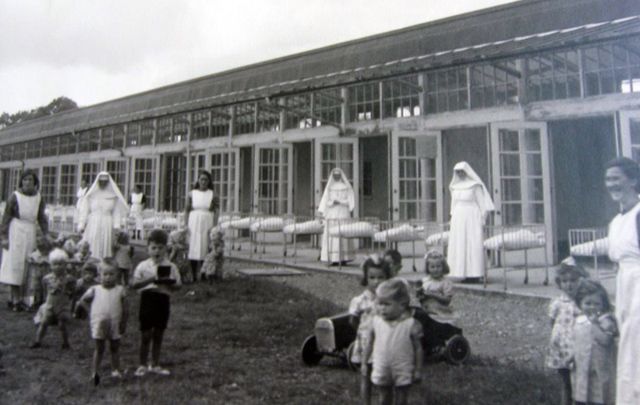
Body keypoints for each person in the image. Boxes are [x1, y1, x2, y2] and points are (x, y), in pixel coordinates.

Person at [604, 157, 640, 405]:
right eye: (608, 179)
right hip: (625, 286)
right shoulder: (616, 221)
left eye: (616, 178)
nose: (611, 184)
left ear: (634, 180)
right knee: (627, 349)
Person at [361, 279, 423, 405]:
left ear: (402, 305)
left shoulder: (409, 324)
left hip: (402, 367)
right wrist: (364, 362)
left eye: (387, 304)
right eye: (379, 304)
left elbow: (418, 349)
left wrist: (418, 369)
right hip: (382, 365)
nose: (382, 308)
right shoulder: (376, 322)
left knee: (401, 397)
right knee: (384, 396)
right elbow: (369, 343)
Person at [131, 229, 182, 377]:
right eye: (153, 248)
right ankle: (142, 364)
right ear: (148, 248)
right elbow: (134, 284)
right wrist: (151, 279)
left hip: (162, 300)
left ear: (166, 249)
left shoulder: (171, 266)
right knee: (146, 334)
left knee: (159, 333)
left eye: (160, 248)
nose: (157, 251)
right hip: (147, 299)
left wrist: (169, 283)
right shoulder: (143, 265)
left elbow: (179, 285)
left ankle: (155, 363)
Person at [0, 169, 49, 311]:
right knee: (15, 265)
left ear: (35, 183)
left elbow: (42, 218)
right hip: (16, 230)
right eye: (25, 180)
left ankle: (23, 299)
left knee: (28, 265)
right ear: (21, 181)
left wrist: (46, 234)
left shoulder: (39, 197)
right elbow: (6, 218)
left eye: (30, 180)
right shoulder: (14, 196)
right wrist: (3, 237)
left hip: (30, 231)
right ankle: (14, 298)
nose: (27, 182)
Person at [75, 260, 128, 386]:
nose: (108, 278)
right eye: (105, 274)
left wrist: (124, 322)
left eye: (111, 274)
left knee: (115, 346)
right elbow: (81, 301)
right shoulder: (95, 289)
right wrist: (90, 312)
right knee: (99, 348)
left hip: (115, 322)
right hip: (99, 323)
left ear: (117, 275)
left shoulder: (120, 290)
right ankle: (95, 372)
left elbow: (126, 308)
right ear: (99, 275)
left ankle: (115, 369)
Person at [349, 254, 392, 405]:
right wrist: (362, 333)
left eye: (381, 277)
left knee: (383, 380)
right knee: (365, 376)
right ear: (366, 278)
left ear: (387, 278)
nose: (376, 281)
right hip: (366, 343)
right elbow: (353, 320)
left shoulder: (389, 300)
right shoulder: (360, 300)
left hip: (383, 344)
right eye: (372, 277)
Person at [545, 260, 589, 405]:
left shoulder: (583, 302)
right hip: (562, 349)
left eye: (573, 280)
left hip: (577, 347)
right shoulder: (557, 303)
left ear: (581, 280)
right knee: (565, 383)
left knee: (580, 382)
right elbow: (552, 323)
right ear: (559, 283)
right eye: (565, 281)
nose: (569, 284)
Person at [446, 161, 495, 282]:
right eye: (458, 172)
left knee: (473, 244)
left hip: (472, 216)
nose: (460, 174)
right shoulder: (455, 186)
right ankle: (462, 272)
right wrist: (452, 218)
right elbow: (453, 205)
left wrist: (482, 219)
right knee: (460, 244)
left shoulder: (475, 185)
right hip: (458, 218)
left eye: (462, 171)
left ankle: (475, 273)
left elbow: (482, 205)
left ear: (467, 171)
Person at [571, 279, 617, 405]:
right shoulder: (579, 320)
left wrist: (595, 324)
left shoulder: (606, 322)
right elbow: (576, 341)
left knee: (600, 397)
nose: (592, 307)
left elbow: (606, 341)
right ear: (580, 303)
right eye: (588, 303)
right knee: (582, 395)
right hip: (583, 369)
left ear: (603, 304)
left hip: (600, 370)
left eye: (597, 304)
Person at [77, 172, 128, 260]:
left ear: (108, 182)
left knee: (106, 244)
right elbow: (84, 211)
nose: (103, 183)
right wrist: (81, 224)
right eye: (101, 181)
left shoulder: (113, 196)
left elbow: (116, 213)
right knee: (92, 243)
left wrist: (117, 226)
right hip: (93, 223)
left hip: (107, 222)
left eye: (105, 181)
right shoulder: (91, 195)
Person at [30, 249, 75, 349]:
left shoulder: (69, 279)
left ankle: (66, 343)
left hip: (62, 305)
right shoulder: (47, 278)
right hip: (50, 305)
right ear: (51, 265)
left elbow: (72, 292)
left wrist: (68, 298)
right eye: (55, 264)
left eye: (61, 264)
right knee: (44, 322)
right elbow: (45, 290)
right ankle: (37, 341)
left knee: (62, 325)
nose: (58, 267)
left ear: (65, 264)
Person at [185, 171, 219, 282]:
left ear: (209, 182)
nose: (203, 182)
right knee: (194, 246)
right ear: (198, 180)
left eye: (206, 180)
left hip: (207, 221)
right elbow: (186, 210)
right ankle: (194, 275)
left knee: (205, 246)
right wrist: (186, 224)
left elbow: (216, 211)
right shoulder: (192, 194)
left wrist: (214, 225)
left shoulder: (212, 194)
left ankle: (204, 273)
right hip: (194, 221)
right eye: (201, 179)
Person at [318, 168, 355, 265]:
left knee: (343, 232)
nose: (336, 177)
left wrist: (341, 201)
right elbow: (326, 201)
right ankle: (332, 257)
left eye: (338, 175)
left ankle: (344, 257)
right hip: (332, 212)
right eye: (335, 176)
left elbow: (350, 201)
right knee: (332, 232)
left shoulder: (346, 187)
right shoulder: (330, 188)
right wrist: (332, 202)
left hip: (343, 212)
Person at [25, 236, 51, 311]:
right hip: (35, 274)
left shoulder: (48, 255)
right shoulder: (35, 254)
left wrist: (46, 262)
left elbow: (51, 261)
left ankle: (44, 302)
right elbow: (29, 258)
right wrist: (33, 261)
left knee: (45, 288)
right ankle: (32, 303)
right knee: (34, 288)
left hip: (45, 274)